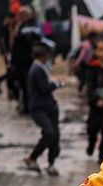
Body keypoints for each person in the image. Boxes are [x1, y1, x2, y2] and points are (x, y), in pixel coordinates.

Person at [23, 42, 66, 176]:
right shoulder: (37, 69)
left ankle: (51, 164)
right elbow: (45, 88)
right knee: (49, 133)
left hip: (48, 107)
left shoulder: (39, 68)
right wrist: (57, 84)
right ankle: (32, 157)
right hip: (39, 108)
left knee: (54, 135)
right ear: (45, 56)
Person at [12, 6, 42, 114]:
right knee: (22, 84)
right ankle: (26, 105)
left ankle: (30, 106)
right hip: (20, 61)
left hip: (28, 61)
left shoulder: (31, 26)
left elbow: (34, 40)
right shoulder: (21, 25)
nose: (20, 16)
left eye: (22, 14)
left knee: (28, 84)